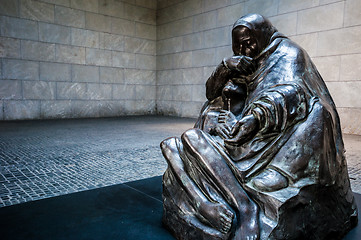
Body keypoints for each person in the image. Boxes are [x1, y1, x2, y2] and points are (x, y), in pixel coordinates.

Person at [161, 13, 357, 240]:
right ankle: (205, 203)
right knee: (173, 144)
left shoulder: (289, 54)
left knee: (188, 141)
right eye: (239, 46)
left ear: (262, 35)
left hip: (271, 137)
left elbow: (291, 92)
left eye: (249, 42)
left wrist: (252, 120)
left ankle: (249, 201)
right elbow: (212, 92)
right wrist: (225, 67)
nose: (245, 50)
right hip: (242, 132)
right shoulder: (246, 61)